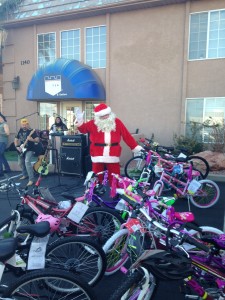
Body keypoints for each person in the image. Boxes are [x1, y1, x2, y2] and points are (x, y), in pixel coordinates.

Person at [74, 103, 143, 185]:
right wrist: (80, 120)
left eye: (106, 115)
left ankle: (115, 193)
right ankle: (96, 192)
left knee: (114, 176)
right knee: (97, 175)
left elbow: (126, 135)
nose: (105, 117)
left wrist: (135, 147)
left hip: (112, 153)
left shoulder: (117, 122)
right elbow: (83, 129)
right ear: (98, 116)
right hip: (97, 154)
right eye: (102, 116)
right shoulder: (93, 123)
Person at [14, 118, 39, 186]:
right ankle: (25, 175)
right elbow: (16, 140)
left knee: (27, 162)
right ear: (21, 125)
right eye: (23, 124)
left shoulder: (32, 131)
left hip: (30, 149)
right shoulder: (20, 131)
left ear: (28, 124)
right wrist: (17, 147)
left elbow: (37, 140)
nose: (24, 126)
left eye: (25, 124)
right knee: (20, 163)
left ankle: (31, 179)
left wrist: (32, 140)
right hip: (22, 149)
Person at [0, 112, 11, 177]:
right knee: (2, 156)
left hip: (3, 142)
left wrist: (0, 133)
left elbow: (8, 133)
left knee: (0, 155)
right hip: (0, 142)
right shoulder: (1, 124)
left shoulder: (5, 124)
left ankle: (1, 171)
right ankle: (7, 168)